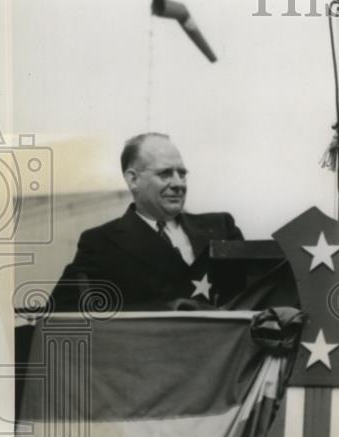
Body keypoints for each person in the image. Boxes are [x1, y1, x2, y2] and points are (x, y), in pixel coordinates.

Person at [50, 133, 245, 311]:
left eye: (182, 173)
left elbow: (261, 285)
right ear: (133, 179)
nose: (178, 184)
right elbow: (60, 312)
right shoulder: (100, 244)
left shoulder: (221, 227)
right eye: (165, 174)